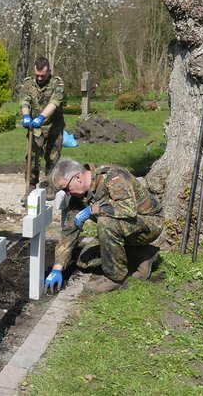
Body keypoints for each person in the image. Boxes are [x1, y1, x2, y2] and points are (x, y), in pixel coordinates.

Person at [45, 159, 163, 294]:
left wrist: (92, 210)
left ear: (77, 177)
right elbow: (69, 233)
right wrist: (57, 268)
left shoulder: (113, 176)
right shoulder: (78, 198)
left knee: (105, 222)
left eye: (66, 188)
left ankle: (116, 278)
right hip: (124, 228)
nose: (66, 193)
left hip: (149, 223)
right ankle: (143, 254)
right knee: (85, 261)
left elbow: (127, 208)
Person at [19, 56, 65, 201]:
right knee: (32, 156)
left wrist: (41, 117)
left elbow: (54, 103)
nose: (39, 78)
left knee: (52, 158)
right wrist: (26, 116)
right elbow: (24, 100)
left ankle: (51, 186)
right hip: (35, 128)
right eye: (37, 75)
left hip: (53, 126)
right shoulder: (28, 83)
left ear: (49, 71)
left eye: (43, 75)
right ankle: (30, 186)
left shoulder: (57, 82)